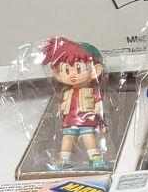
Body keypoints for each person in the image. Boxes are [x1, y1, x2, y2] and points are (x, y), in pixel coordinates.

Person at [41, 37, 107, 170]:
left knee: (88, 137)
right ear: (57, 74)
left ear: (96, 70)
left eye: (79, 68)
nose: (72, 75)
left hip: (87, 121)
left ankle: (96, 158)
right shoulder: (67, 93)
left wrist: (102, 123)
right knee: (67, 139)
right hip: (69, 122)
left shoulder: (92, 92)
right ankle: (64, 160)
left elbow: (99, 107)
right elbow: (62, 107)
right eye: (66, 69)